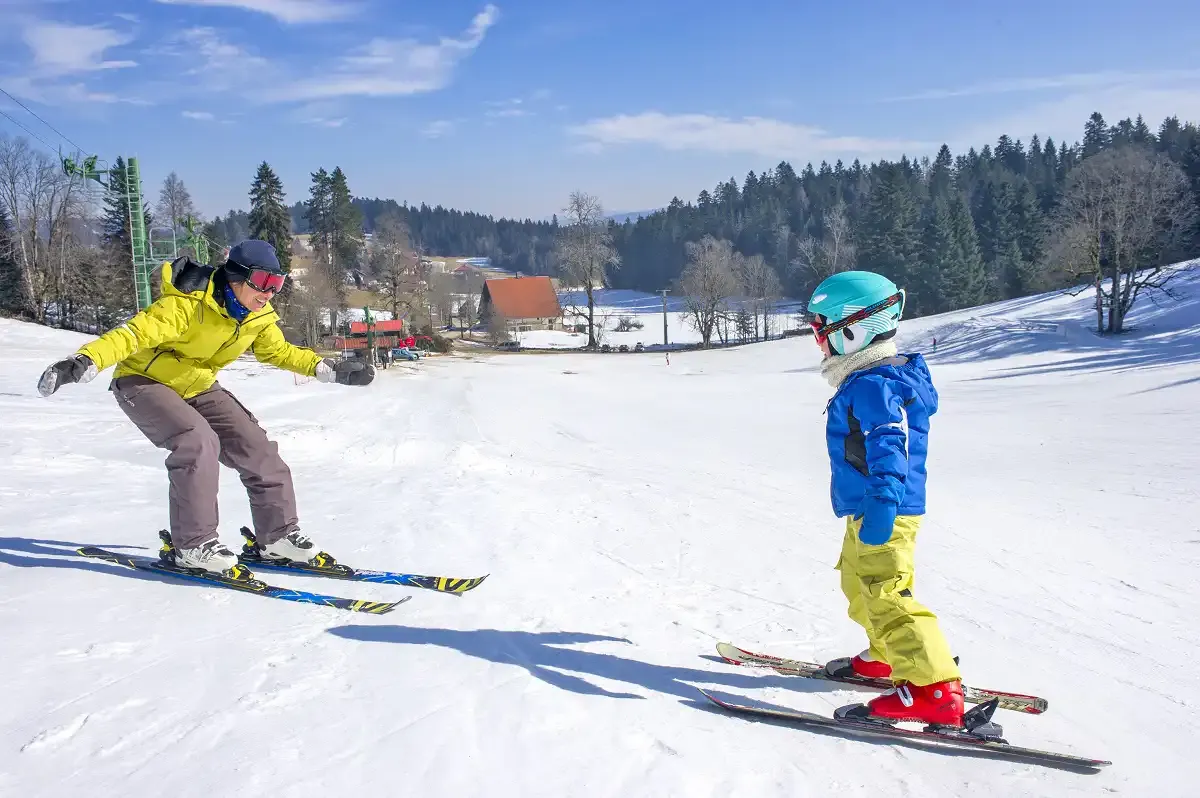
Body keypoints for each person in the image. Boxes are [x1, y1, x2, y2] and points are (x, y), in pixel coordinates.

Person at [35, 240, 375, 576]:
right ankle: (193, 546)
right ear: (236, 276)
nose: (269, 293)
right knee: (197, 441)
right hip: (143, 381)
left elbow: (278, 351)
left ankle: (277, 537)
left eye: (277, 283)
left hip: (197, 385)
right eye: (263, 282)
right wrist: (85, 360)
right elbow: (131, 336)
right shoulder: (186, 304)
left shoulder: (256, 316)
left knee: (256, 447)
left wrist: (325, 368)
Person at [806, 270, 964, 728]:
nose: (819, 343)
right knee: (858, 586)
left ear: (854, 328)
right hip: (868, 506)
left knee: (888, 594)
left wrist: (883, 500)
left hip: (885, 507)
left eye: (822, 331)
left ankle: (934, 690)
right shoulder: (869, 379)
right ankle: (888, 654)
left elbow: (890, 446)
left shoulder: (875, 384)